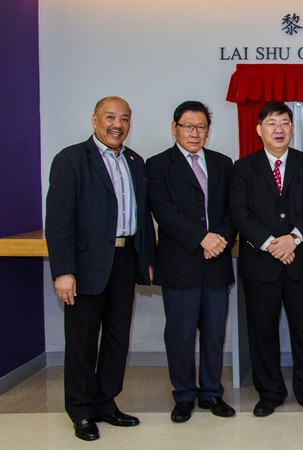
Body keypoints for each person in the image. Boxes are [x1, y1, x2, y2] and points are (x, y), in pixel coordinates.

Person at [45, 96, 155, 441]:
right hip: (86, 264)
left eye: (124, 118)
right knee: (82, 342)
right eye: (110, 116)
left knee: (117, 338)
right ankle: (80, 412)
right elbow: (59, 221)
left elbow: (143, 215)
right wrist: (63, 271)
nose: (117, 124)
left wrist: (146, 261)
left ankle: (105, 402)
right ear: (94, 120)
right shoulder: (72, 159)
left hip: (124, 261)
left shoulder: (135, 162)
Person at [228, 101, 303, 417]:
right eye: (272, 123)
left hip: (300, 259)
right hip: (261, 263)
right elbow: (239, 212)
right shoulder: (243, 167)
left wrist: (294, 238)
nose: (279, 129)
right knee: (262, 332)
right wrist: (272, 243)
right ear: (259, 129)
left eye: (285, 122)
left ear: (292, 128)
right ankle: (269, 393)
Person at [146, 101, 236, 423]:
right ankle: (183, 395)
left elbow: (231, 209)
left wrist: (219, 239)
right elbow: (163, 210)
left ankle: (211, 393)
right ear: (174, 128)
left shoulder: (223, 163)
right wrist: (202, 238)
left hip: (216, 261)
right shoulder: (157, 165)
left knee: (213, 334)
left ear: (208, 131)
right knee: (181, 335)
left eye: (201, 127)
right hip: (180, 263)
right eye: (188, 126)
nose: (195, 133)